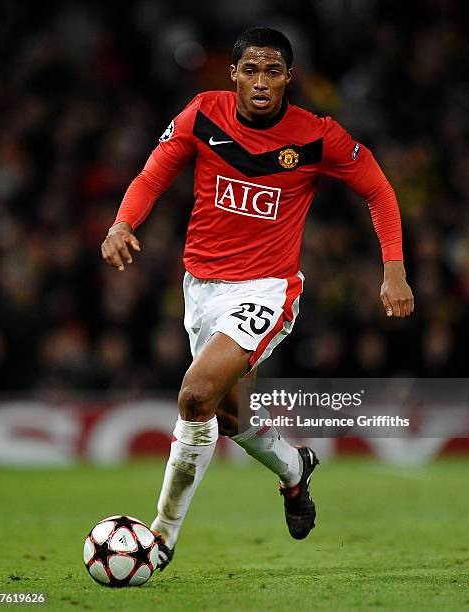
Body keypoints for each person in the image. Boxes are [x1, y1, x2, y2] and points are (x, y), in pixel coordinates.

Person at [101, 26, 414, 569]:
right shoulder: (202, 113)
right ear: (234, 74)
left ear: (289, 77)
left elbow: (379, 190)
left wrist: (394, 270)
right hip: (199, 289)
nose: (262, 82)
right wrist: (122, 223)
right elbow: (152, 176)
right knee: (228, 416)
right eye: (251, 70)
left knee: (195, 396)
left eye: (273, 71)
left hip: (268, 289)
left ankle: (161, 539)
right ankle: (295, 469)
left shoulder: (316, 136)